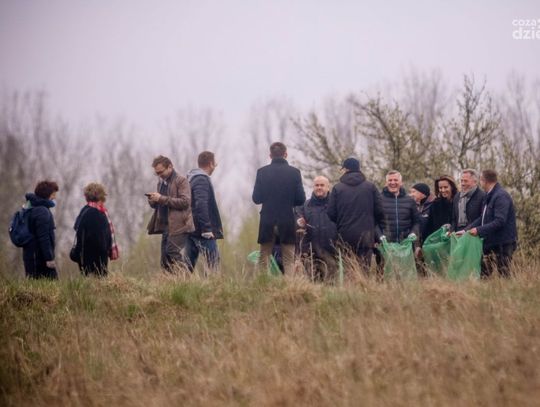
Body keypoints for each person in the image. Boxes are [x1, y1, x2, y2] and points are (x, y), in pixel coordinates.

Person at [252, 142, 306, 275]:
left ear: (270, 155)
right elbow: (301, 199)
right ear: (285, 154)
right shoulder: (294, 173)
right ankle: (289, 286)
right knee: (289, 259)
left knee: (264, 258)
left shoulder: (262, 172)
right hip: (287, 220)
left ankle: (262, 284)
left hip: (267, 220)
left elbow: (256, 198)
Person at [327, 158, 385, 272]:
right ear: (359, 169)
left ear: (346, 169)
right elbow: (380, 211)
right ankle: (363, 283)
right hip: (366, 235)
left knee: (349, 270)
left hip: (345, 234)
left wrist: (341, 223)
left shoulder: (337, 188)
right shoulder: (370, 187)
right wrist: (371, 224)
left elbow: (331, 213)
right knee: (364, 269)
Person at [147, 155, 195, 272]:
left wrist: (161, 198)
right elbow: (160, 204)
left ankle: (187, 278)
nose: (159, 175)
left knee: (172, 252)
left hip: (180, 225)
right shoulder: (161, 183)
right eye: (156, 173)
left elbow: (185, 202)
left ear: (170, 167)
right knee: (164, 260)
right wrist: (153, 201)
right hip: (165, 226)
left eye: (161, 172)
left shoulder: (181, 180)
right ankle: (170, 281)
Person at [467, 169, 518, 278]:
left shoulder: (501, 196)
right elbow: (483, 218)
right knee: (484, 276)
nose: (480, 183)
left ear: (484, 180)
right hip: (490, 243)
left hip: (503, 244)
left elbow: (500, 221)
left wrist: (478, 230)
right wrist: (467, 230)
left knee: (504, 276)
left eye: (480, 180)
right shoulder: (488, 195)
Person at [186, 151, 223, 272]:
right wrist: (207, 229)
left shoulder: (192, 179)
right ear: (211, 163)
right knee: (213, 264)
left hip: (192, 228)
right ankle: (213, 285)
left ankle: (180, 283)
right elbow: (201, 204)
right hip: (202, 231)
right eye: (214, 163)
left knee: (187, 265)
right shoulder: (201, 179)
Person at [377, 171, 421, 274]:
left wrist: (413, 232)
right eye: (390, 180)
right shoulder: (379, 199)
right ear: (386, 182)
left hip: (405, 246)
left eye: (395, 180)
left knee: (405, 274)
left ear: (401, 182)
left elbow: (417, 221)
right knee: (384, 275)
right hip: (385, 245)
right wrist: (379, 235)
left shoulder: (409, 200)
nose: (393, 182)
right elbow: (374, 222)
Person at [72, 183, 119, 276]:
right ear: (100, 197)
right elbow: (100, 239)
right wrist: (105, 254)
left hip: (84, 258)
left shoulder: (85, 210)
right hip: (96, 261)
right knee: (98, 282)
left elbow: (76, 227)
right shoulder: (97, 213)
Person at [296, 175, 338, 281]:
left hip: (331, 251)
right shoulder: (305, 206)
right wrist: (299, 222)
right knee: (313, 283)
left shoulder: (336, 205)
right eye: (316, 185)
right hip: (311, 253)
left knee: (331, 283)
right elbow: (297, 221)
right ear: (313, 187)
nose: (319, 187)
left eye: (322, 185)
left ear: (328, 187)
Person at [21, 180, 59, 279]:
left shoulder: (32, 207)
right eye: (53, 194)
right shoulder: (42, 211)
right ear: (47, 194)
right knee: (51, 284)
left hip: (31, 256)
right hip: (39, 259)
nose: (54, 197)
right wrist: (49, 259)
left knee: (34, 283)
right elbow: (43, 237)